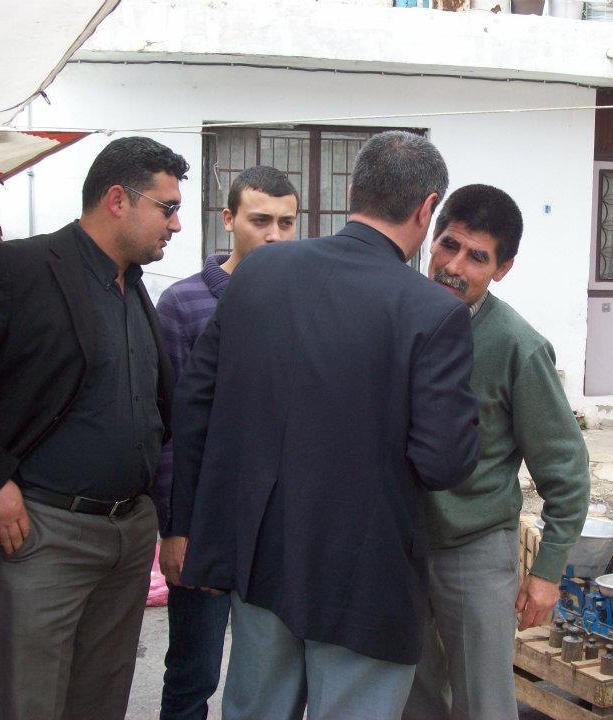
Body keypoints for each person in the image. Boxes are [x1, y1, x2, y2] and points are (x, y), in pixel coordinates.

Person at [169, 130, 480, 720]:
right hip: (366, 576)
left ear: (352, 192)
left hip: (262, 557)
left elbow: (196, 403)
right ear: (426, 208)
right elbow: (444, 462)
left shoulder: (259, 272)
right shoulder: (434, 312)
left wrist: (196, 530)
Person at [0, 136, 189, 720]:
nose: (177, 225)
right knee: (29, 699)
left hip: (128, 536)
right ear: (117, 200)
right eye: (167, 207)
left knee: (101, 698)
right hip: (45, 533)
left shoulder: (134, 287)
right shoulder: (21, 269)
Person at [403, 184, 590, 720]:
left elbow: (566, 470)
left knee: (483, 702)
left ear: (503, 269)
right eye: (448, 245)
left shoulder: (517, 347)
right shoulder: (398, 315)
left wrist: (547, 571)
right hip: (400, 546)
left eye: (476, 257)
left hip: (475, 551)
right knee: (412, 700)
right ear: (431, 238)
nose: (453, 266)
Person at [154, 166, 300, 720]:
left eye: (286, 223)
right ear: (228, 220)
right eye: (260, 220)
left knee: (268, 672)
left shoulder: (303, 301)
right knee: (194, 670)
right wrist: (176, 529)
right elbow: (170, 427)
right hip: (206, 521)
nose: (274, 235)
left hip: (275, 522)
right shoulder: (184, 304)